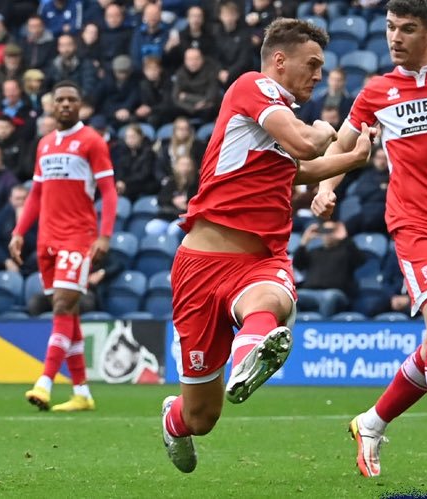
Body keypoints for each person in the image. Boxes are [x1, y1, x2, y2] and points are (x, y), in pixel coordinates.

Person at [160, 18, 375, 474]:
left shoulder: (274, 121)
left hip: (260, 260)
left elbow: (295, 171)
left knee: (274, 298)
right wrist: (325, 130)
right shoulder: (252, 87)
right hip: (201, 267)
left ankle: (248, 358)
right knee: (201, 418)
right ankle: (173, 419)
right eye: (312, 64)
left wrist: (353, 159)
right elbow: (305, 145)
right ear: (279, 60)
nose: (318, 74)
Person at [309, 0, 427, 478]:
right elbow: (342, 143)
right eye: (390, 27)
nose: (395, 38)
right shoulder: (376, 91)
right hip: (416, 224)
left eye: (407, 29)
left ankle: (371, 422)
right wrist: (325, 188)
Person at [10, 81, 117, 414]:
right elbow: (37, 194)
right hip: (47, 239)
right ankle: (82, 392)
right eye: (61, 100)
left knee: (61, 304)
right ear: (52, 106)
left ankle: (44, 382)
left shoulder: (92, 141)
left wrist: (104, 235)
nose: (66, 104)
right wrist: (19, 231)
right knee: (68, 313)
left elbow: (109, 191)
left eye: (72, 99)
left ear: (80, 105)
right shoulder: (44, 144)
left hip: (78, 237)